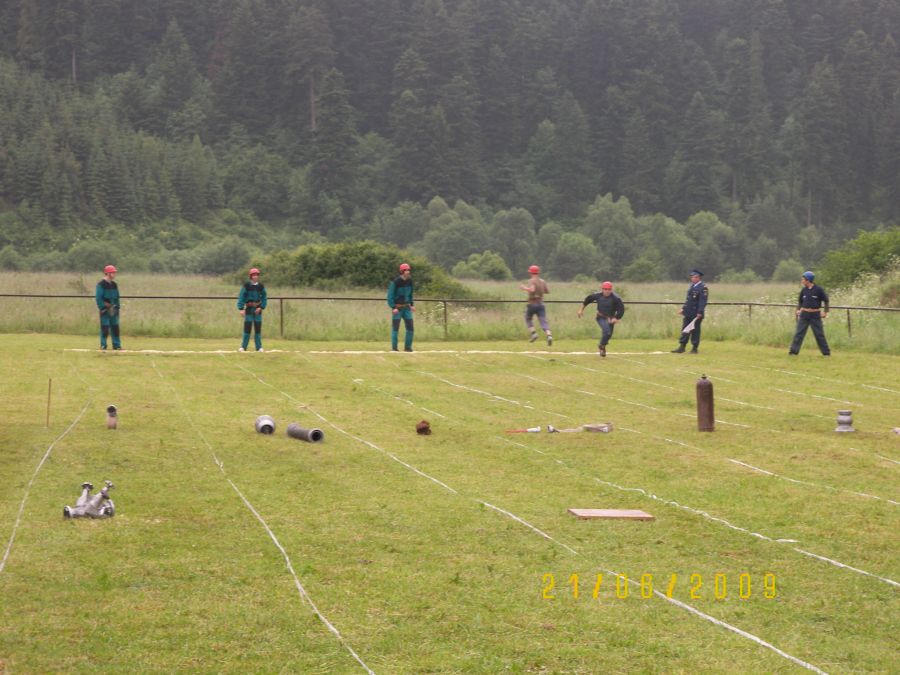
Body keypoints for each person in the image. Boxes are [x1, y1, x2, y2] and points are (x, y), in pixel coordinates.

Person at [577, 281, 625, 357]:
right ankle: (602, 347)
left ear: (611, 290)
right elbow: (587, 300)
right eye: (605, 289)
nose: (607, 291)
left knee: (608, 335)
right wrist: (581, 310)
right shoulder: (598, 295)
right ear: (602, 289)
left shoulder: (616, 298)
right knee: (607, 332)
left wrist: (616, 318)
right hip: (600, 317)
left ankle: (602, 346)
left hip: (611, 319)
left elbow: (621, 309)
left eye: (609, 289)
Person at [789, 271, 830, 356]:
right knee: (799, 333)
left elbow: (826, 300)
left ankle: (826, 353)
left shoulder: (819, 290)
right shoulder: (803, 290)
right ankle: (793, 352)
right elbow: (800, 302)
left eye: (803, 279)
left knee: (819, 334)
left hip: (815, 315)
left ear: (808, 280)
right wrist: (798, 310)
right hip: (804, 315)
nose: (802, 281)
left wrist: (825, 312)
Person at [672, 269, 708, 354]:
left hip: (696, 313)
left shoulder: (703, 288)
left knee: (695, 331)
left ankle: (694, 348)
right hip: (688, 312)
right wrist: (683, 308)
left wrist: (700, 312)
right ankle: (682, 347)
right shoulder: (692, 286)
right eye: (691, 277)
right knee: (685, 329)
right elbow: (688, 300)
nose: (692, 278)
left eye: (694, 277)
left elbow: (702, 301)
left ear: (698, 278)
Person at [520, 264, 552, 345]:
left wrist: (524, 288)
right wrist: (540, 291)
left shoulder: (531, 281)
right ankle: (549, 335)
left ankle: (534, 334)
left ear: (531, 272)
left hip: (532, 303)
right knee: (543, 321)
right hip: (541, 304)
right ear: (538, 272)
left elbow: (532, 290)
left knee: (528, 318)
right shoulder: (542, 281)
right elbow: (547, 291)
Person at [237, 267, 267, 352]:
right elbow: (241, 297)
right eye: (254, 275)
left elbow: (264, 297)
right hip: (249, 309)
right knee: (247, 329)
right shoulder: (246, 286)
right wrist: (241, 308)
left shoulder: (261, 286)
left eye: (257, 275)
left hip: (258, 311)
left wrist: (261, 307)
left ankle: (259, 347)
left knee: (257, 329)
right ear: (250, 276)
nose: (255, 276)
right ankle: (243, 347)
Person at [388, 262, 415, 352]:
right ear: (402, 271)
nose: (408, 272)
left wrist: (412, 305)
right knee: (395, 328)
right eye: (406, 270)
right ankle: (394, 348)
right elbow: (390, 296)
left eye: (408, 270)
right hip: (398, 308)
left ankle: (408, 347)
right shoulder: (395, 282)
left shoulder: (410, 281)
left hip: (407, 308)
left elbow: (410, 294)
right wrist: (393, 307)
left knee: (410, 327)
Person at [95, 264, 122, 350]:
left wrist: (117, 308)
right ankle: (103, 345)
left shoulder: (114, 284)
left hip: (114, 309)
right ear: (107, 273)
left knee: (115, 328)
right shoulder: (101, 284)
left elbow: (117, 297)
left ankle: (117, 345)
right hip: (105, 310)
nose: (114, 274)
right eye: (113, 272)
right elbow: (98, 298)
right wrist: (102, 308)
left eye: (114, 272)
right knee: (105, 328)